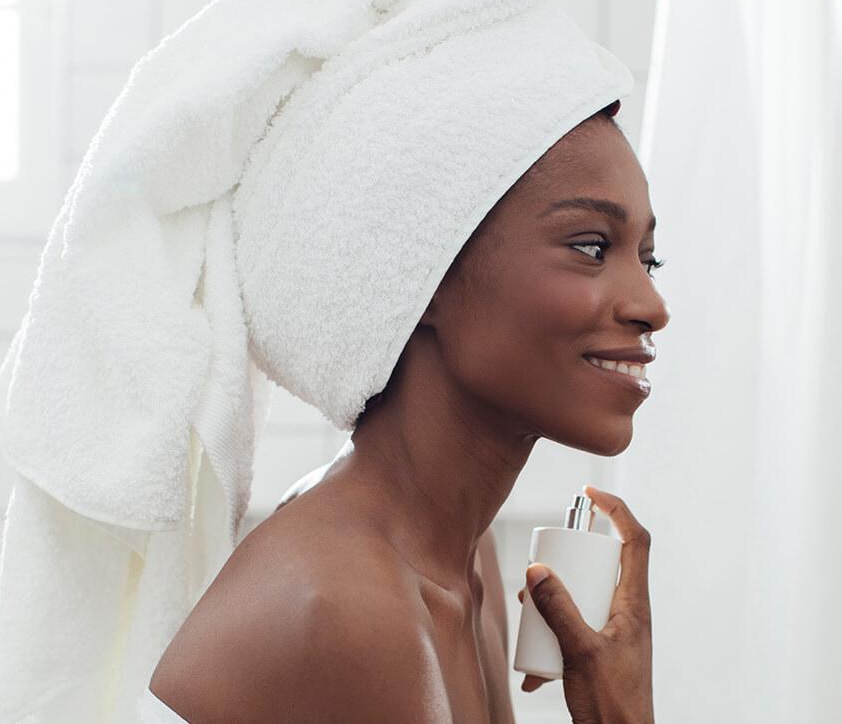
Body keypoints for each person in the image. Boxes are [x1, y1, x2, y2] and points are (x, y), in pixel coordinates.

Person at [148, 100, 670, 722]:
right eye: (590, 246)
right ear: (424, 274)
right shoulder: (349, 605)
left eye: (648, 258)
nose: (652, 304)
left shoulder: (465, 556)